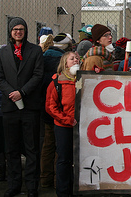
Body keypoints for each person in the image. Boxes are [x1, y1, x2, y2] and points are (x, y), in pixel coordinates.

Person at [0, 17, 44, 197]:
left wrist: (22, 92)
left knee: (31, 149)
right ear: (10, 31)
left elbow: (38, 75)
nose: (18, 32)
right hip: (9, 107)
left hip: (29, 107)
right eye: (15, 29)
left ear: (26, 31)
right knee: (11, 148)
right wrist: (12, 93)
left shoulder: (35, 50)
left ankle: (32, 187)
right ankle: (14, 185)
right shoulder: (2, 53)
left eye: (21, 29)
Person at [46, 51, 80, 197]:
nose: (75, 60)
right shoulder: (57, 82)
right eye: (71, 58)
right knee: (64, 159)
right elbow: (50, 106)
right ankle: (63, 191)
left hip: (81, 126)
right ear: (64, 63)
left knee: (77, 159)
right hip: (63, 127)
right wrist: (67, 120)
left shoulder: (84, 78)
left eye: (77, 58)